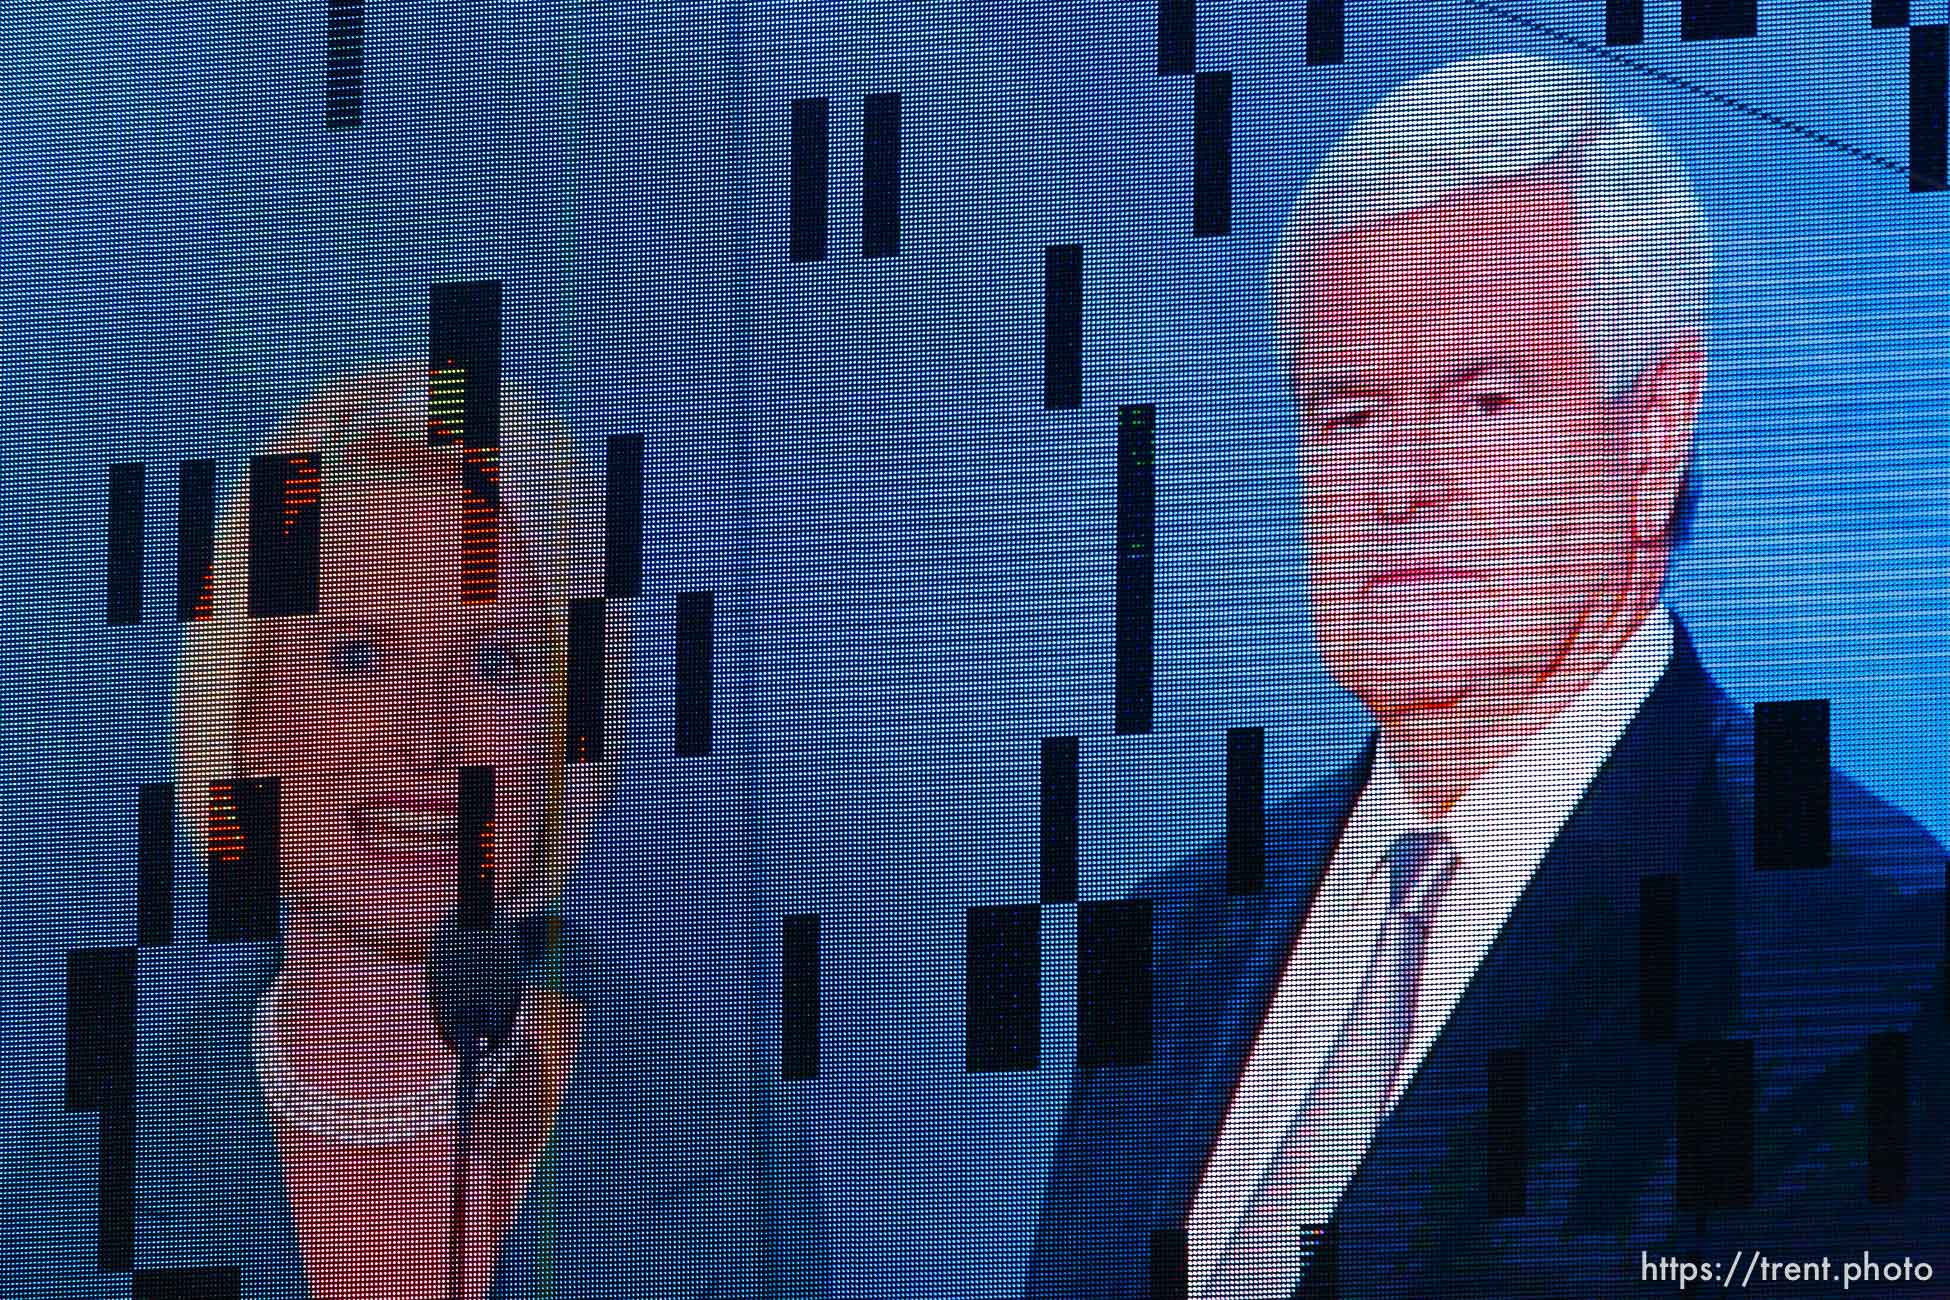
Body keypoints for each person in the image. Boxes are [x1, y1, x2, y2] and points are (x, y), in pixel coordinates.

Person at [1028, 54, 1948, 1299]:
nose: (1402, 486)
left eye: (1484, 402)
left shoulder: (1861, 953)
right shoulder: (1171, 941)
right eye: (1347, 413)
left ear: (1655, 423)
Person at [4, 363, 824, 1296]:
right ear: (249, 707)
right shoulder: (80, 1174)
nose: (426, 739)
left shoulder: (715, 1149)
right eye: (355, 658)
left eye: (495, 664)